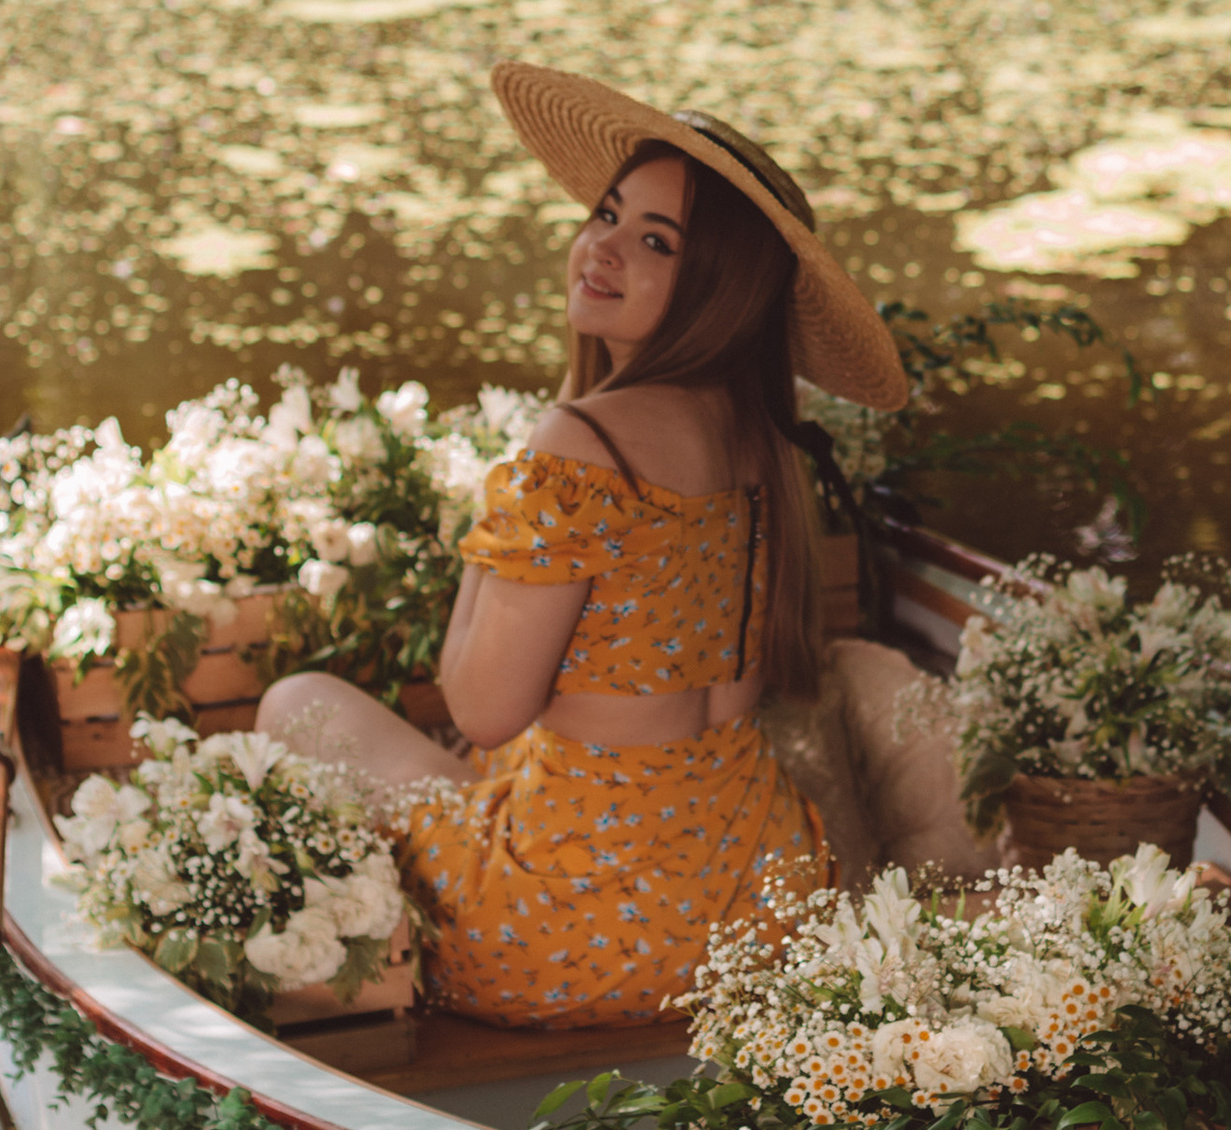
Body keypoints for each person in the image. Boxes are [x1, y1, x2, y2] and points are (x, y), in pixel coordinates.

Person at [255, 61, 908, 1028]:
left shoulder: (580, 446)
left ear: (719, 292)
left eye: (656, 241)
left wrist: (509, 497)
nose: (603, 250)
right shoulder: (761, 438)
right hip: (757, 905)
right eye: (607, 215)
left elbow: (481, 708)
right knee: (504, 766)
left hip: (572, 926)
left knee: (292, 702)